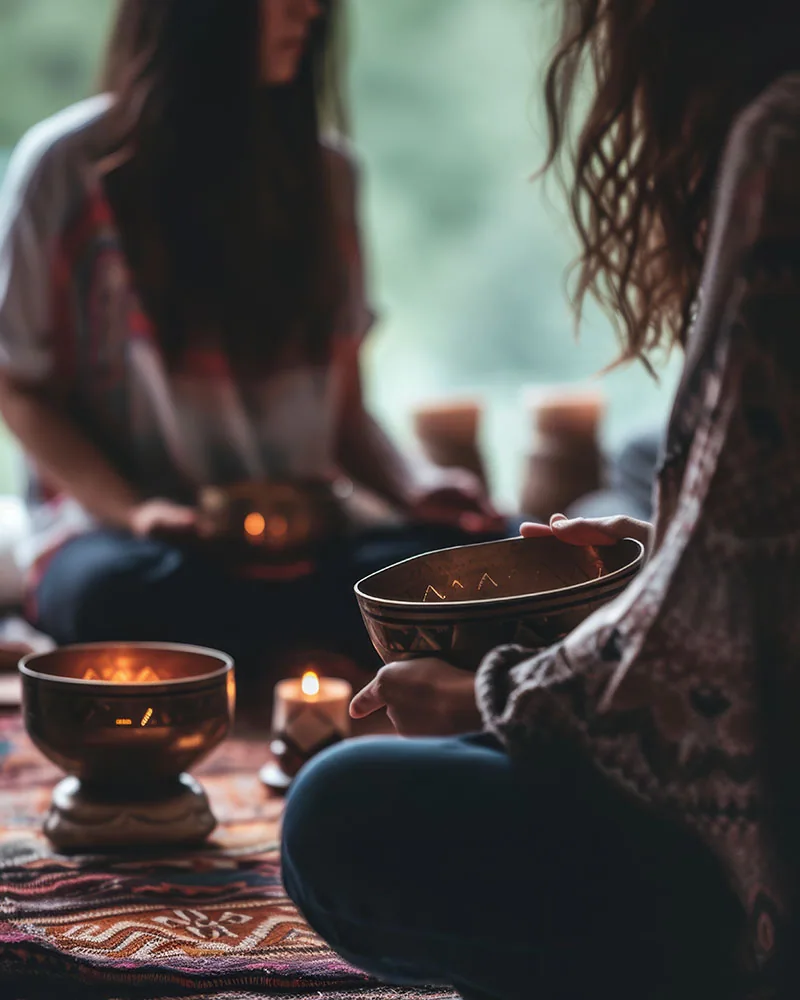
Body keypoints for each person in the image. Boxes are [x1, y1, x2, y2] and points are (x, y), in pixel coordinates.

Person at [282, 3, 800, 997]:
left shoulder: (780, 142)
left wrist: (495, 700)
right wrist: (665, 558)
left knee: (340, 806)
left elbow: (729, 684)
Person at [0, 0, 502, 671]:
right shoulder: (65, 167)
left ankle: (251, 644)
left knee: (496, 558)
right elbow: (21, 389)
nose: (311, 11)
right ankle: (311, 639)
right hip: (134, 544)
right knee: (111, 593)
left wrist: (411, 485)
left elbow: (345, 413)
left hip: (310, 543)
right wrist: (138, 512)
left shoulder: (329, 176)